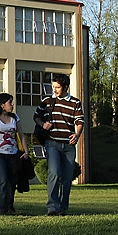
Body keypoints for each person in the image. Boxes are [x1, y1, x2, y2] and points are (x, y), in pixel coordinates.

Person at [33, 74, 84, 216]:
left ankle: (63, 207)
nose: (54, 90)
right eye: (53, 87)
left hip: (68, 145)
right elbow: (36, 116)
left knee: (67, 178)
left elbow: (80, 121)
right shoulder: (47, 101)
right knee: (54, 173)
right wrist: (43, 124)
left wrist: (77, 134)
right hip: (52, 143)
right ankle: (52, 207)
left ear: (66, 87)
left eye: (57, 87)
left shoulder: (75, 102)